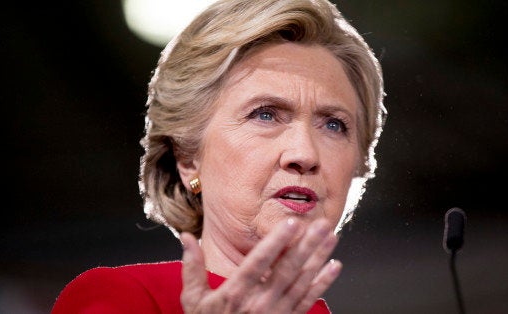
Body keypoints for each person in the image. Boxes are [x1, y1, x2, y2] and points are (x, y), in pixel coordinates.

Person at [51, 0, 386, 312]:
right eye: (265, 114)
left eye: (334, 125)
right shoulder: (121, 296)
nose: (304, 153)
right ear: (187, 158)